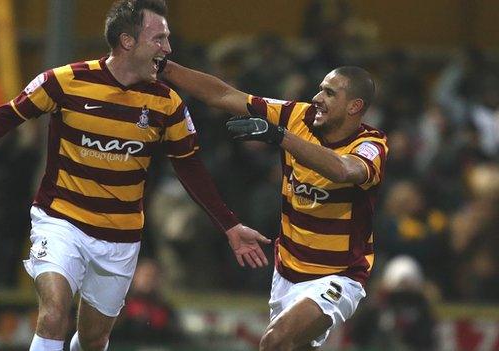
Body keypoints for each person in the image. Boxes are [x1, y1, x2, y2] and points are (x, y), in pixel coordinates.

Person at [0, 1, 271, 350]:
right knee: (54, 313)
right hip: (61, 222)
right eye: (159, 38)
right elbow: (3, 119)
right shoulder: (64, 82)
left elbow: (189, 166)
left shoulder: (166, 103)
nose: (167, 49)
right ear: (127, 41)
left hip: (119, 237)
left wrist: (229, 225)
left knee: (93, 338)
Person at [161, 61, 388, 350]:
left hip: (338, 277)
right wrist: (165, 69)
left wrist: (279, 136)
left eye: (329, 93)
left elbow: (343, 170)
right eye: (320, 90)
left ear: (355, 106)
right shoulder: (296, 116)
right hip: (287, 273)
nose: (317, 98)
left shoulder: (371, 144)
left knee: (274, 341)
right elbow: (224, 95)